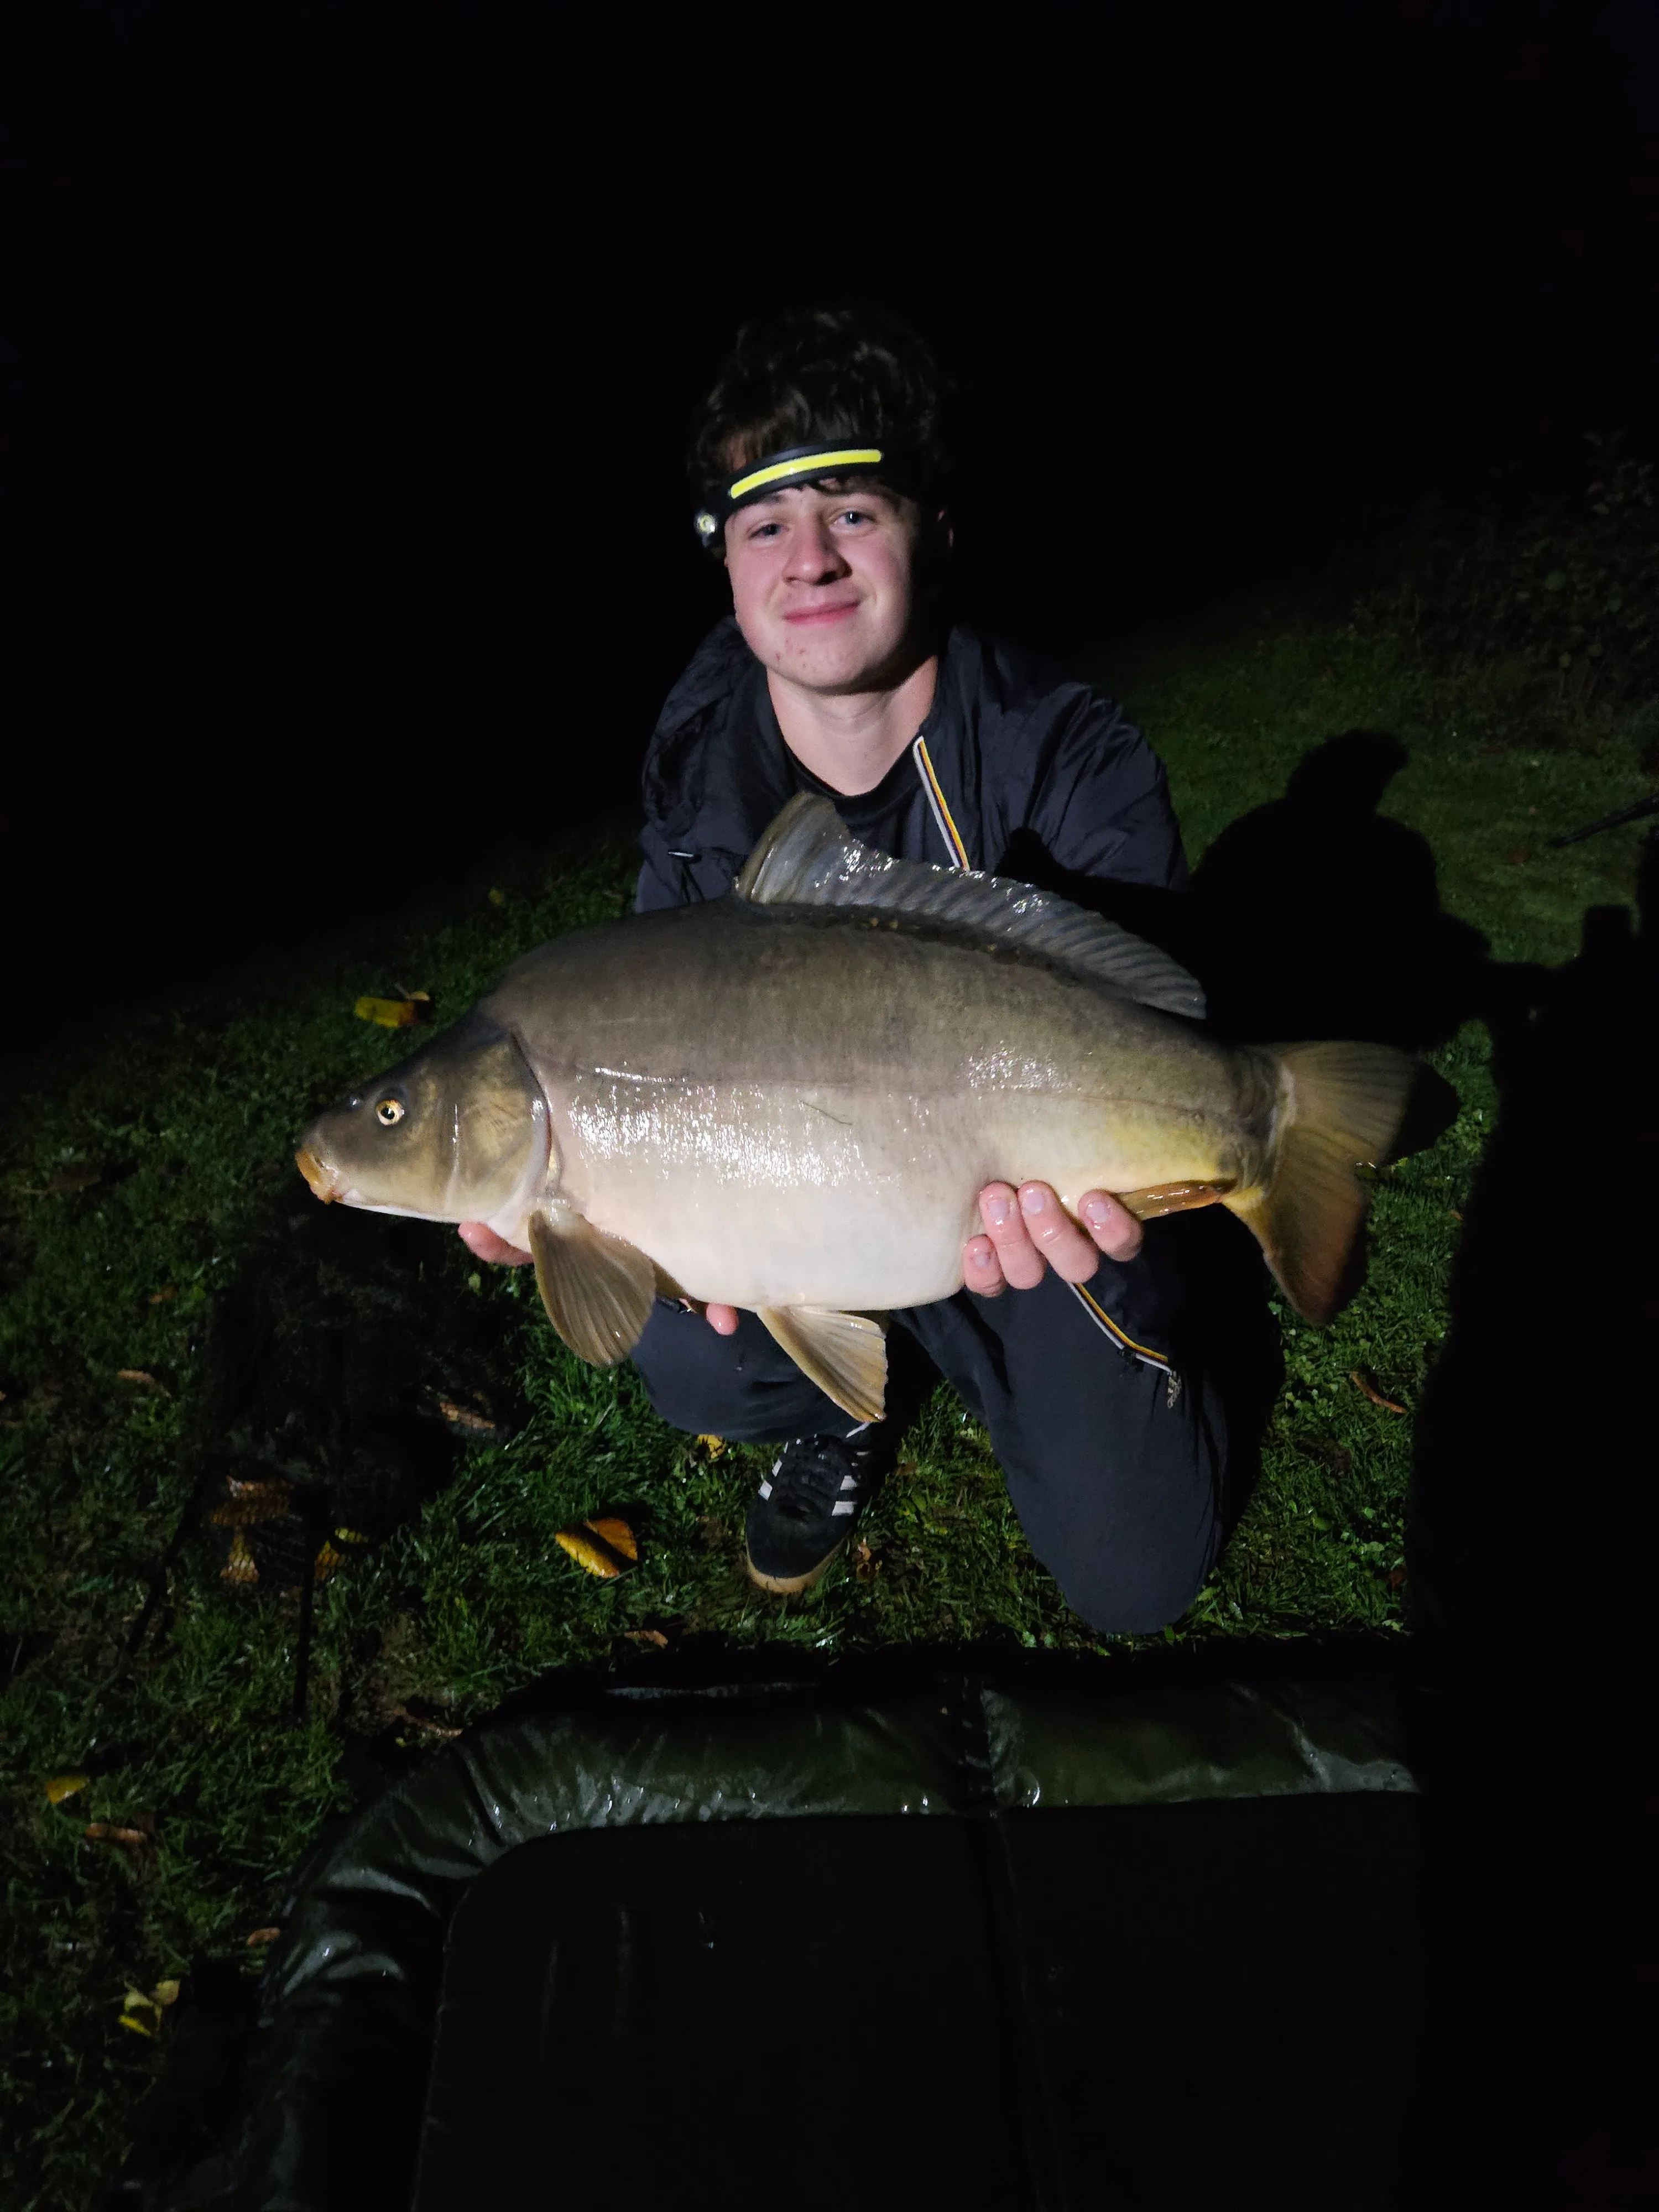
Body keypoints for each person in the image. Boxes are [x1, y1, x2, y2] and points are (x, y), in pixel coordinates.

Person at [462, 307, 1269, 1634]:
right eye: (766, 526)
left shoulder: (1069, 752)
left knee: (1137, 1574)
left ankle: (1161, 1302)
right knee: (687, 1349)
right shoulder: (697, 772)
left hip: (1025, 1213)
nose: (810, 558)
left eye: (853, 511)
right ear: (724, 562)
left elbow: (1161, 1012)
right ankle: (843, 1396)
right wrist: (581, 1208)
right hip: (823, 1203)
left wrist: (1169, 1172)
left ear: (932, 532)